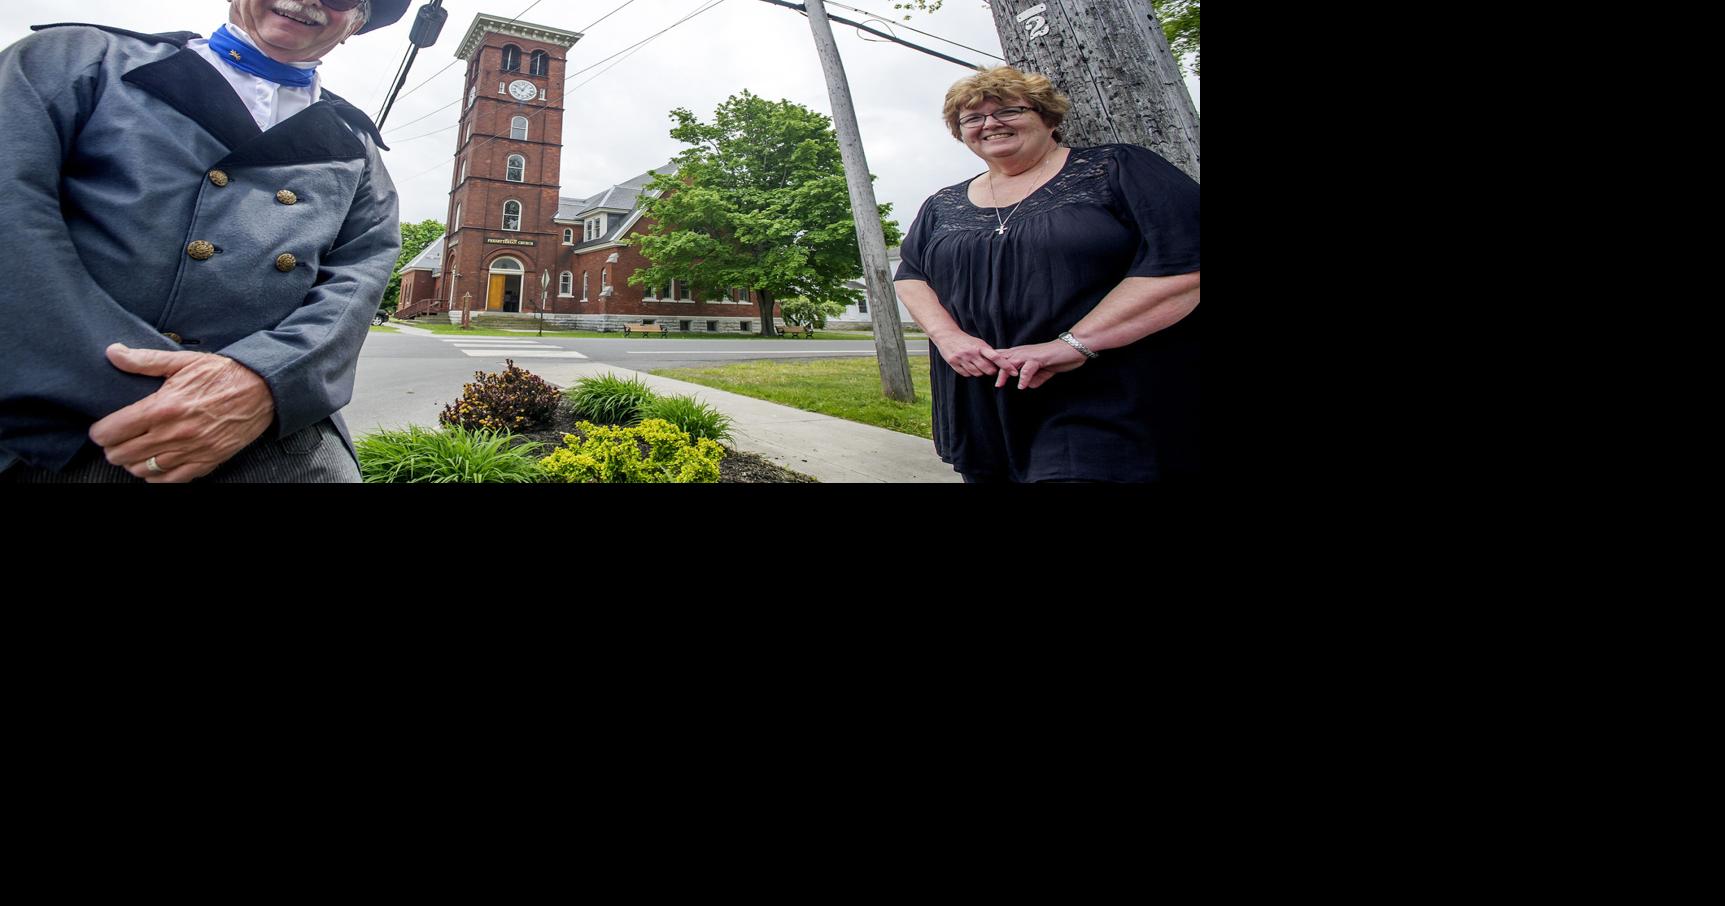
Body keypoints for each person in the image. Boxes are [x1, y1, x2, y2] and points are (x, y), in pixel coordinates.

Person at [0, 0, 409, 483]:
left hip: (271, 439)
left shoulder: (355, 143)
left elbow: (361, 273)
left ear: (355, 24)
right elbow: (13, 221)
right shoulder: (78, 58)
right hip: (63, 429)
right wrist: (157, 392)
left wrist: (263, 381)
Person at [893, 66, 1200, 483]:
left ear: (1048, 117)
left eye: (1008, 110)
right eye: (973, 118)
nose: (990, 124)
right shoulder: (941, 203)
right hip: (983, 398)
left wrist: (1072, 345)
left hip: (1101, 393)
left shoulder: (1115, 168)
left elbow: (1185, 263)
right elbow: (911, 275)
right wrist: (951, 339)